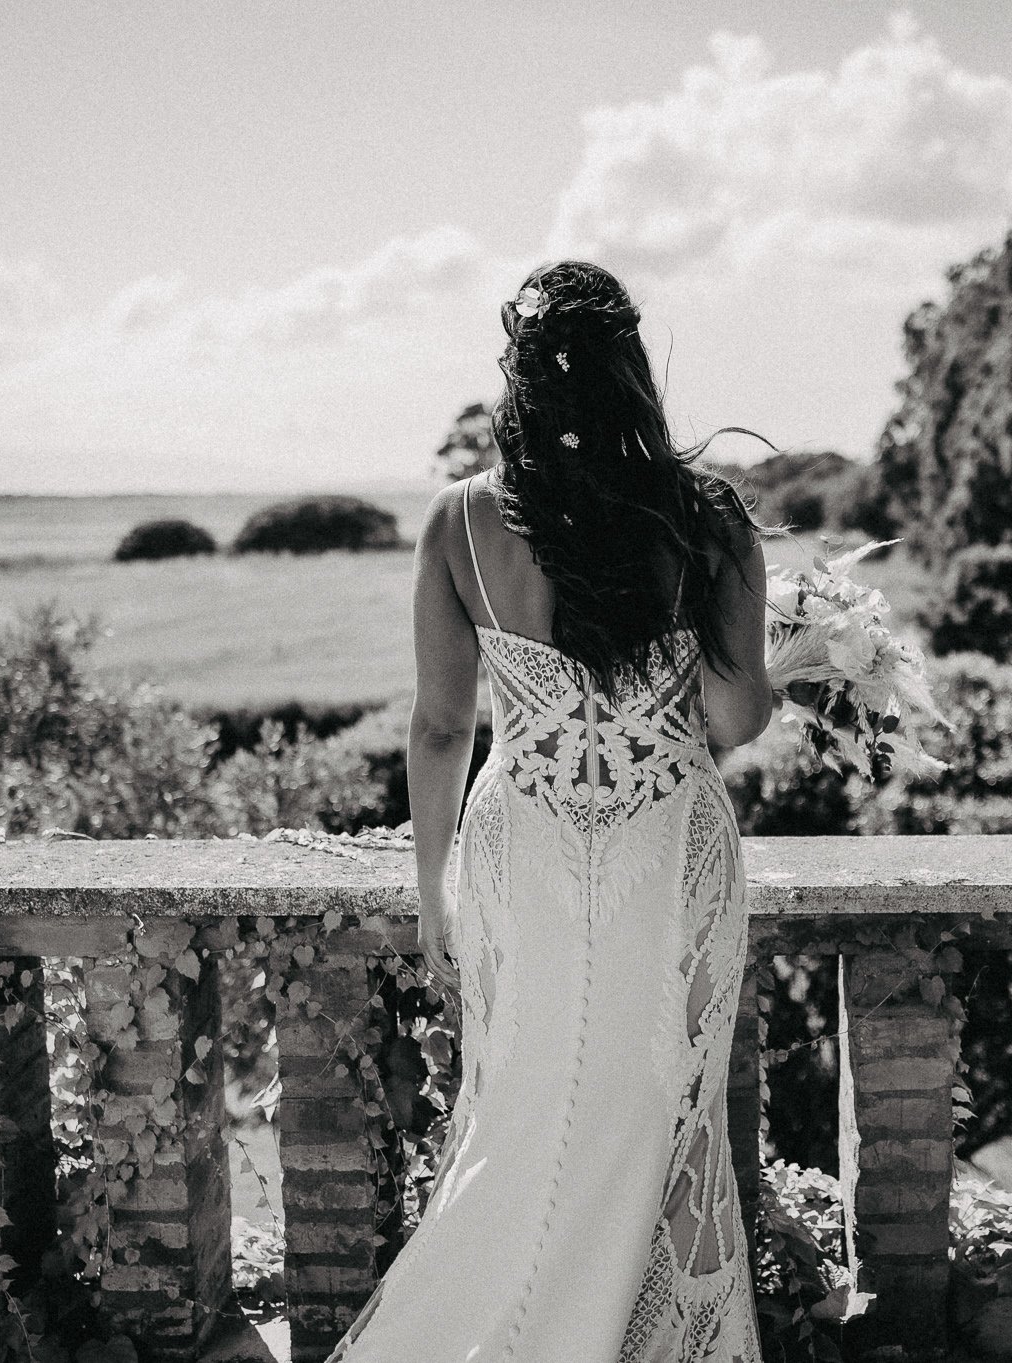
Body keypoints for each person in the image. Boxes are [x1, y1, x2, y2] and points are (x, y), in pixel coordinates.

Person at [328, 261, 775, 1361]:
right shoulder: (707, 519)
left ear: (518, 380)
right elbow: (732, 716)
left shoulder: (459, 521)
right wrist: (771, 642)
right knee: (653, 1107)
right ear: (631, 371)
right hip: (666, 846)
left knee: (518, 1113)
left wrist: (428, 885)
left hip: (517, 850)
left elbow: (439, 727)